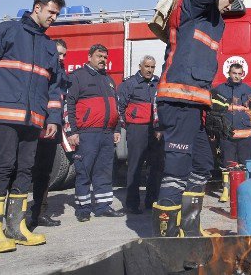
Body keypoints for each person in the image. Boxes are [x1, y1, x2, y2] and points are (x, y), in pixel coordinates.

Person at [153, 0, 238, 237]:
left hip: (194, 104)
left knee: (201, 163)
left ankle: (188, 230)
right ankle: (165, 235)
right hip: (178, 100)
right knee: (176, 168)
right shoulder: (193, 2)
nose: (229, 7)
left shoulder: (211, 19)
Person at [0, 0, 65, 253]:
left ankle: (16, 227)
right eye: (51, 12)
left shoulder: (48, 46)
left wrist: (53, 118)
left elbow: (54, 87)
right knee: (3, 167)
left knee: (25, 170)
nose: (54, 18)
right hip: (6, 116)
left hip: (34, 121)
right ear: (37, 7)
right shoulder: (5, 32)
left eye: (57, 14)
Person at [66, 44, 124, 221]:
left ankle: (103, 206)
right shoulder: (77, 77)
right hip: (87, 134)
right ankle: (83, 209)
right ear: (89, 56)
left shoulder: (108, 80)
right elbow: (68, 105)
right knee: (84, 171)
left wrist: (116, 129)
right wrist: (72, 132)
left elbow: (116, 107)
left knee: (104, 171)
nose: (103, 60)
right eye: (99, 56)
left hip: (106, 134)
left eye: (105, 57)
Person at [28, 38, 69, 230]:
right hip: (37, 125)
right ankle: (19, 213)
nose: (61, 58)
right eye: (59, 53)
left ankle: (40, 213)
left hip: (52, 125)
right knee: (25, 170)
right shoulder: (43, 71)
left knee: (45, 171)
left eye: (64, 55)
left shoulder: (61, 73)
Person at [117, 55, 163, 214]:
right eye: (147, 66)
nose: (150, 70)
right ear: (140, 66)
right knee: (135, 167)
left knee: (156, 167)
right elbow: (120, 107)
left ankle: (151, 201)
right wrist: (129, 127)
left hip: (155, 130)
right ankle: (132, 204)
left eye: (152, 67)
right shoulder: (129, 83)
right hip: (137, 130)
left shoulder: (158, 83)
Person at [212, 63, 251, 203]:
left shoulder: (248, 90)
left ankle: (245, 191)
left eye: (239, 73)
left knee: (245, 164)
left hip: (245, 134)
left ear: (242, 74)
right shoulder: (219, 90)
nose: (236, 76)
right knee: (227, 164)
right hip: (227, 133)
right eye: (234, 73)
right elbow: (214, 111)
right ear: (228, 73)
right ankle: (226, 191)